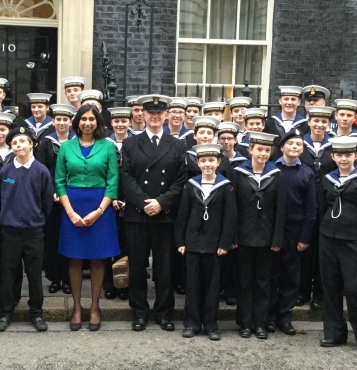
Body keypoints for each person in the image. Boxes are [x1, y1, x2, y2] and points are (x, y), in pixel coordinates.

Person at [119, 95, 188, 331]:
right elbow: (125, 177)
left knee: (164, 268)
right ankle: (139, 312)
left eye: (159, 113)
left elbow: (180, 181)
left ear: (166, 115)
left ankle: (164, 313)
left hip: (165, 215)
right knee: (137, 267)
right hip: (137, 215)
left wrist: (160, 202)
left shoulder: (178, 145)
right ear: (142, 116)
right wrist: (142, 202)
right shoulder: (130, 144)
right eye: (150, 113)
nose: (155, 117)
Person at [55, 105, 120, 331]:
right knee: (74, 258)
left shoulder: (108, 147)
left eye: (92, 119)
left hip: (100, 206)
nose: (87, 123)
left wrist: (99, 211)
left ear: (98, 122)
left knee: (97, 259)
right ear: (77, 122)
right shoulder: (66, 147)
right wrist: (71, 212)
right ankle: (76, 307)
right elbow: (59, 182)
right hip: (71, 204)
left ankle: (94, 306)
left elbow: (113, 182)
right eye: (83, 119)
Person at [318, 137, 357, 355]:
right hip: (328, 239)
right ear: (333, 157)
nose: (343, 159)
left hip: (354, 242)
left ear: (356, 156)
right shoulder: (327, 179)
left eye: (348, 155)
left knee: (355, 289)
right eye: (339, 155)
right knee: (330, 286)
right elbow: (322, 208)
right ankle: (334, 333)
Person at [0, 127, 54, 332]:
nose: (18, 146)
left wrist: (36, 220)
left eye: (22, 141)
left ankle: (36, 312)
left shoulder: (41, 171)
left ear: (32, 144)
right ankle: (6, 312)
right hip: (9, 231)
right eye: (15, 143)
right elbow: (0, 199)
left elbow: (47, 202)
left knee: (35, 274)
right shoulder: (6, 171)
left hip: (33, 231)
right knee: (8, 273)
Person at [176, 143, 237, 341]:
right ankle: (192, 323)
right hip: (193, 242)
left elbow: (230, 218)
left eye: (212, 160)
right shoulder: (190, 184)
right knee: (192, 284)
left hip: (214, 244)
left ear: (218, 162)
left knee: (212, 286)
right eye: (203, 161)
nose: (208, 164)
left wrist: (224, 243)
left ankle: (211, 324)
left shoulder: (226, 186)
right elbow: (182, 215)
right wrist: (181, 241)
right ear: (198, 163)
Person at [230, 131, 285, 339]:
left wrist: (277, 238)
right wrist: (233, 237)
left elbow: (280, 210)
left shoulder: (276, 175)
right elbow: (232, 209)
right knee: (244, 281)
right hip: (243, 236)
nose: (262, 153)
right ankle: (244, 323)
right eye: (259, 149)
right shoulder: (237, 173)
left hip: (267, 237)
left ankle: (261, 323)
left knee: (263, 282)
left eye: (266, 150)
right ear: (250, 150)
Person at [269, 128, 315, 334]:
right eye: (291, 144)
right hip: (273, 230)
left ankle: (285, 317)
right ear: (281, 147)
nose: (295, 147)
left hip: (295, 231)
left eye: (299, 145)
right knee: (271, 275)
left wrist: (305, 237)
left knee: (291, 276)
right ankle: (269, 316)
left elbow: (310, 208)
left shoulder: (306, 173)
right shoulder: (271, 169)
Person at [297, 106, 336, 310]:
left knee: (324, 251)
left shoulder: (335, 145)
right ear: (309, 121)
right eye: (316, 120)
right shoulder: (300, 143)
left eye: (323, 121)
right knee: (304, 249)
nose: (319, 125)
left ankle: (320, 294)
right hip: (303, 205)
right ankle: (303, 291)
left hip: (327, 206)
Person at [35, 104, 76, 295]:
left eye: (65, 119)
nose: (61, 123)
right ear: (53, 121)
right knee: (52, 238)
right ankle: (54, 278)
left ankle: (68, 279)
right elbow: (41, 170)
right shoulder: (45, 142)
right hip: (52, 198)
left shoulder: (77, 142)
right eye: (58, 119)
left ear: (70, 122)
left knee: (70, 238)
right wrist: (52, 191)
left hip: (73, 197)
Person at [103, 107, 131, 301]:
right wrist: (111, 197)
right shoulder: (105, 144)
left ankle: (123, 285)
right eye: (116, 121)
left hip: (130, 202)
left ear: (129, 123)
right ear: (111, 123)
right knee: (108, 245)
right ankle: (108, 285)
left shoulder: (136, 143)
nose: (120, 124)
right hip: (107, 201)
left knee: (126, 247)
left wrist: (128, 200)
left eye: (124, 121)